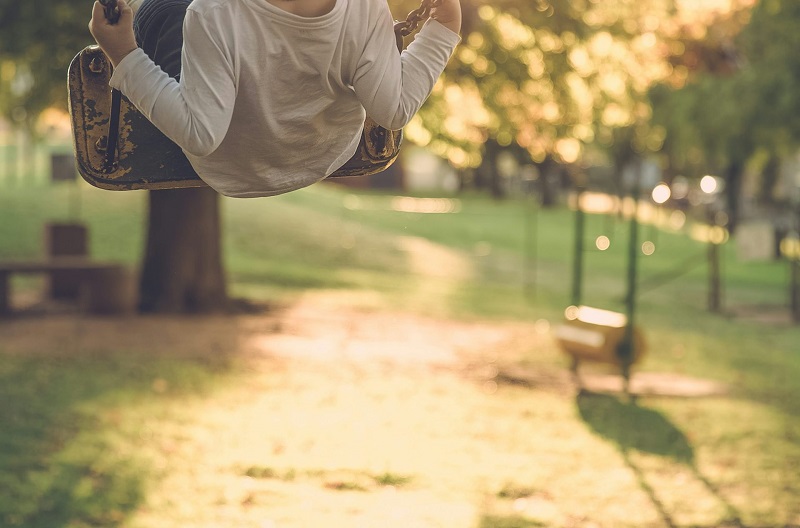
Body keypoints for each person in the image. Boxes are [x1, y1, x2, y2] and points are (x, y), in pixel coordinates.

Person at [88, 0, 461, 198]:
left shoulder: (211, 13)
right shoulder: (365, 6)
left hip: (231, 167)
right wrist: (444, 30)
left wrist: (124, 55)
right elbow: (393, 110)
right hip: (323, 155)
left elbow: (201, 135)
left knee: (162, 7)